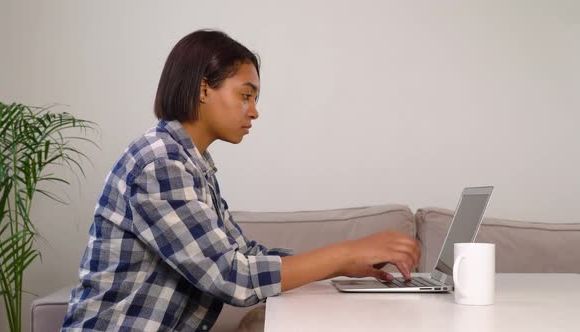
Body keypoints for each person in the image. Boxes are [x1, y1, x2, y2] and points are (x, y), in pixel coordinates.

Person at [62, 29, 420, 331]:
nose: (254, 110)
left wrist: (342, 265)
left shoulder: (191, 163)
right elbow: (232, 276)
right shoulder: (160, 164)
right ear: (203, 90)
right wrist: (345, 252)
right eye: (245, 95)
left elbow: (244, 255)